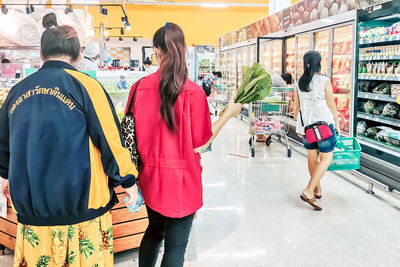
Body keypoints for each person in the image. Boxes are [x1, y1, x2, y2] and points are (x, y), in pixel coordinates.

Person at [0, 13, 138, 266]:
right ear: (77, 55)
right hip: (81, 214)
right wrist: (128, 181)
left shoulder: (17, 91)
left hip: (33, 215)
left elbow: (2, 147)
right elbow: (110, 141)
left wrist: (4, 177)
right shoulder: (87, 86)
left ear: (42, 54)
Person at [126, 23, 242, 267]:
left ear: (156, 50)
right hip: (183, 179)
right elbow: (201, 144)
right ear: (184, 50)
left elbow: (130, 134)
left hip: (150, 176)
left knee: (154, 232)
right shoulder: (193, 92)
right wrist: (228, 114)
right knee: (176, 245)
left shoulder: (138, 88)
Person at [294, 50, 340, 211]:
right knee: (327, 159)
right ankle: (308, 190)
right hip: (324, 126)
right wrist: (338, 123)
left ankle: (317, 189)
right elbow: (332, 105)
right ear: (319, 63)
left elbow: (297, 108)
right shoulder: (324, 81)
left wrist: (299, 127)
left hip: (307, 127)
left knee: (312, 157)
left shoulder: (300, 83)